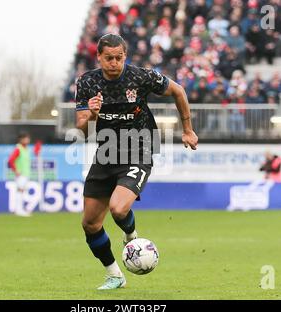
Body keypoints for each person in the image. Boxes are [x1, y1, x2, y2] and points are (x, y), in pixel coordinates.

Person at [75, 34, 198, 290]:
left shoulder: (140, 77)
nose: (114, 63)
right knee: (90, 224)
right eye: (108, 58)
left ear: (125, 56)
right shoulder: (87, 82)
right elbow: (82, 130)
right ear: (98, 57)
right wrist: (93, 115)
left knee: (118, 209)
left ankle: (131, 235)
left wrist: (187, 129)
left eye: (119, 57)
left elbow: (178, 90)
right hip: (106, 152)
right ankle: (115, 275)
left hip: (139, 149)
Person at [8, 132, 32, 217]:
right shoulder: (18, 149)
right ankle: (19, 210)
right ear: (21, 140)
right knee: (20, 190)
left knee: (22, 191)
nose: (27, 140)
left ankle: (20, 209)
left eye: (28, 138)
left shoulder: (26, 149)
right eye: (25, 138)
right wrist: (16, 170)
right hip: (21, 174)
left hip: (25, 174)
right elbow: (11, 160)